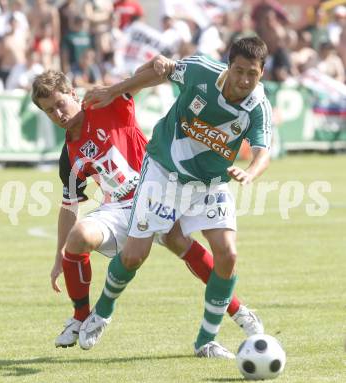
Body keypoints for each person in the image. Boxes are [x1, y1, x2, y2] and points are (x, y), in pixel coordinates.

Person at [31, 68, 264, 349]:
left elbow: (152, 72)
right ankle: (81, 317)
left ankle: (239, 312)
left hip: (161, 186)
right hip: (119, 208)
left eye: (60, 104)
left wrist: (118, 85)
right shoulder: (69, 155)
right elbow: (69, 207)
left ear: (73, 94)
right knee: (79, 236)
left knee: (181, 241)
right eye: (49, 111)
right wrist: (60, 257)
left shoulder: (107, 104)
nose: (58, 114)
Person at [79, 36, 272, 358]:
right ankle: (102, 311)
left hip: (209, 183)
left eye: (252, 73)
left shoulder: (258, 106)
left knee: (227, 254)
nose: (244, 80)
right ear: (228, 66)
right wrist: (114, 90)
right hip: (163, 173)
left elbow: (264, 151)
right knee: (133, 257)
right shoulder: (200, 70)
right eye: (239, 70)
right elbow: (161, 71)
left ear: (262, 73)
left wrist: (250, 172)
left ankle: (206, 340)